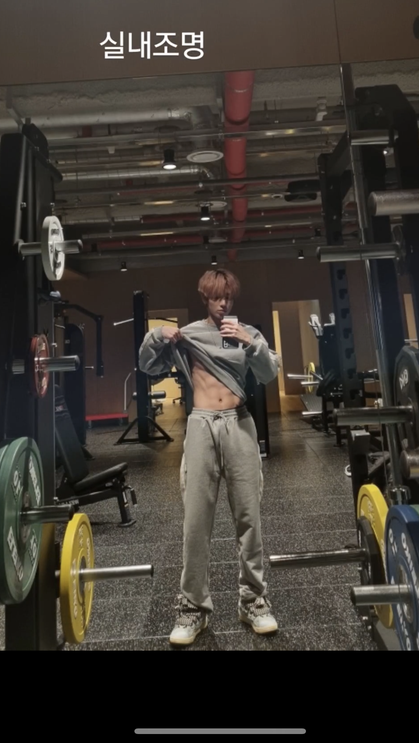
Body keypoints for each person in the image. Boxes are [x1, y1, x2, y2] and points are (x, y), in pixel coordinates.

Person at [138, 268, 281, 646]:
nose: (223, 304)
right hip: (201, 425)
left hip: (239, 423)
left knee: (249, 519)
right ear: (205, 298)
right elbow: (148, 366)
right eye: (217, 297)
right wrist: (156, 335)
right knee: (196, 523)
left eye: (228, 297)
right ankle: (193, 608)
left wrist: (250, 343)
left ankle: (253, 601)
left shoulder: (247, 333)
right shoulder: (189, 335)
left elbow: (269, 373)